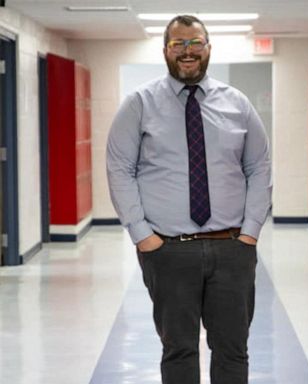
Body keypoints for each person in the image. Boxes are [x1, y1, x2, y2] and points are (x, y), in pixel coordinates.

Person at [106, 14, 272, 384]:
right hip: (167, 250)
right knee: (178, 350)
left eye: (195, 43)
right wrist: (143, 236)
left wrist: (250, 233)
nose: (187, 51)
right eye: (178, 44)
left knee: (233, 349)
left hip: (231, 247)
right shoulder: (139, 104)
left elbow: (259, 167)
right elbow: (119, 169)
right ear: (165, 50)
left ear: (208, 48)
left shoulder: (238, 104)